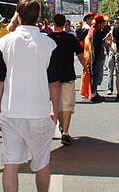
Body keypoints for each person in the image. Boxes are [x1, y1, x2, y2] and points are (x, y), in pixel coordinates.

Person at [0, 0, 60, 192]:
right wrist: (56, 109)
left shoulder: (5, 41)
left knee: (11, 164)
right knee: (42, 163)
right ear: (39, 17)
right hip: (40, 112)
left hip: (11, 111)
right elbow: (54, 83)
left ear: (18, 17)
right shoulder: (49, 44)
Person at [47, 13, 84, 145]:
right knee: (67, 104)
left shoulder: (48, 38)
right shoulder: (70, 38)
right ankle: (65, 132)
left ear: (53, 23)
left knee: (54, 104)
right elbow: (80, 54)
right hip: (68, 74)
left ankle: (59, 127)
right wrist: (85, 67)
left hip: (51, 77)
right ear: (64, 24)